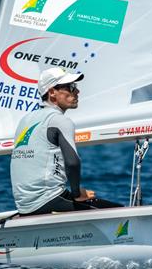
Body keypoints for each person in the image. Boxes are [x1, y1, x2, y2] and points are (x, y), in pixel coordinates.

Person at [10, 67, 121, 216]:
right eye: (70, 87)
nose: (77, 92)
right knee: (119, 210)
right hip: (49, 200)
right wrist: (76, 194)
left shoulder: (25, 120)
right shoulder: (59, 121)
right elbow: (73, 162)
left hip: (24, 206)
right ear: (52, 93)